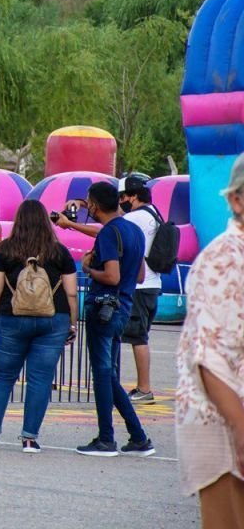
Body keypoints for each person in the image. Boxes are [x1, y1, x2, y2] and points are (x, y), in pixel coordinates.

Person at [58, 181, 155, 457]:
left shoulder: (109, 234)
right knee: (108, 373)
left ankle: (106, 437)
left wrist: (89, 267)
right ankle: (137, 436)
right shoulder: (134, 230)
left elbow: (111, 276)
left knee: (102, 374)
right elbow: (138, 276)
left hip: (104, 308)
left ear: (97, 205)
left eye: (89, 203)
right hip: (123, 307)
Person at [0, 200, 78, 452]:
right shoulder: (59, 251)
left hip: (12, 318)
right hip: (53, 320)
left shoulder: (4, 250)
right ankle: (30, 438)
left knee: (1, 376)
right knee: (40, 379)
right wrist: (72, 323)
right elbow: (72, 292)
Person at [176, 153, 244, 528]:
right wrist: (240, 426)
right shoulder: (222, 259)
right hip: (222, 420)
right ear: (236, 200)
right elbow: (209, 355)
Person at [116, 173, 162, 404]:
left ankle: (144, 388)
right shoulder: (153, 213)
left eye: (123, 196)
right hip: (153, 285)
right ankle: (143, 387)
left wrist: (72, 224)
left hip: (141, 286)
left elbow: (111, 229)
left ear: (133, 196)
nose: (121, 201)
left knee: (138, 338)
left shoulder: (136, 219)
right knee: (139, 336)